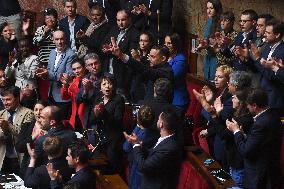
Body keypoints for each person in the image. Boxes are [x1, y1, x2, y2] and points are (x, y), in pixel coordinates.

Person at [226, 89, 282, 189]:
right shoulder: (273, 115)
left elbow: (246, 151)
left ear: (255, 105)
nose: (247, 107)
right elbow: (261, 142)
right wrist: (244, 135)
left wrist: (236, 131)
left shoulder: (261, 123)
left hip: (259, 176)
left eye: (248, 104)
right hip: (269, 172)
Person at [124, 108, 182, 189]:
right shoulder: (165, 140)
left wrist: (136, 145)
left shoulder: (169, 147)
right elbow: (153, 154)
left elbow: (143, 166)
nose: (157, 121)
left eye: (158, 119)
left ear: (161, 124)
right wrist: (140, 146)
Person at [193, 65, 233, 168]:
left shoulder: (229, 99)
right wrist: (209, 102)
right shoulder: (220, 93)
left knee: (220, 168)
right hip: (214, 137)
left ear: (228, 80)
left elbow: (222, 122)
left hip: (222, 141)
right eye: (215, 76)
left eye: (220, 77)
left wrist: (205, 103)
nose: (215, 79)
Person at [88, 73, 125, 173]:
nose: (107, 86)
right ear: (100, 87)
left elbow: (117, 121)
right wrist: (95, 114)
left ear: (114, 86)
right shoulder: (98, 98)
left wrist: (103, 112)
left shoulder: (118, 99)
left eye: (110, 83)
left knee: (112, 167)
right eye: (104, 84)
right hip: (100, 137)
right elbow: (91, 120)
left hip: (113, 138)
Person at [36, 30, 76, 119]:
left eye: (61, 39)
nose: (59, 42)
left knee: (61, 123)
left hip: (63, 96)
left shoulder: (71, 54)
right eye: (57, 39)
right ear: (53, 40)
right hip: (51, 94)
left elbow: (67, 76)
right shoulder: (52, 52)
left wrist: (48, 73)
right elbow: (50, 72)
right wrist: (43, 74)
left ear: (65, 39)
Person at [102, 9, 139, 98]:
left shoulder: (135, 33)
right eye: (118, 20)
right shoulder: (114, 29)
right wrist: (105, 48)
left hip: (121, 75)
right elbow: (104, 43)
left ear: (129, 19)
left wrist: (118, 52)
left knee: (121, 102)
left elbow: (131, 56)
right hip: (108, 71)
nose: (120, 23)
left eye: (123, 20)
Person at [251, 19, 284, 114]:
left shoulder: (282, 51)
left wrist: (257, 59)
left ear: (277, 35)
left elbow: (273, 76)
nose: (264, 34)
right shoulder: (267, 47)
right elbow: (259, 69)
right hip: (263, 95)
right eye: (265, 32)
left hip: (275, 98)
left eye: (268, 32)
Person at [0, 86, 34, 174]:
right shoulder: (1, 114)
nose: (5, 103)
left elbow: (23, 135)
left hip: (19, 157)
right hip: (3, 158)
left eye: (8, 99)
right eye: (3, 100)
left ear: (17, 98)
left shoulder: (28, 113)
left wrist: (7, 125)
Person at [123, 105, 155, 189]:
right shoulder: (155, 133)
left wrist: (137, 126)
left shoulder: (139, 134)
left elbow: (126, 147)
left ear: (138, 119)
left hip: (137, 168)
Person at [15, 100, 48, 177]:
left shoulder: (50, 127)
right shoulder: (27, 125)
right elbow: (19, 147)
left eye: (41, 110)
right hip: (27, 166)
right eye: (36, 110)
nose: (38, 113)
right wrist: (33, 136)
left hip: (43, 167)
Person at [196, 0, 222, 80]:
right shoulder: (209, 21)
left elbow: (220, 44)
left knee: (214, 79)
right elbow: (206, 38)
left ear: (217, 9)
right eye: (207, 8)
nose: (208, 11)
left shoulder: (221, 22)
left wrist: (209, 44)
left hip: (217, 56)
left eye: (211, 8)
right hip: (208, 54)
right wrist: (201, 45)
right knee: (206, 78)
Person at [164, 32, 189, 114]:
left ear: (176, 44)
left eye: (169, 43)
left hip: (177, 100)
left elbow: (169, 77)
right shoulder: (167, 58)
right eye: (165, 43)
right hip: (169, 98)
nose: (166, 45)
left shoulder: (180, 61)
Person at [60, 59, 86, 131]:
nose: (76, 71)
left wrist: (70, 83)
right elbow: (64, 97)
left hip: (85, 117)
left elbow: (80, 96)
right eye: (74, 69)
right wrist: (65, 85)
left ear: (84, 67)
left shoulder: (88, 80)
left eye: (79, 68)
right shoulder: (74, 80)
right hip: (74, 117)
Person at [130, 31, 154, 102]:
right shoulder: (136, 52)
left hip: (145, 88)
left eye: (145, 41)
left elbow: (147, 73)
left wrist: (137, 59)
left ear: (150, 43)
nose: (142, 43)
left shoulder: (152, 55)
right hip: (134, 86)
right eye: (141, 40)